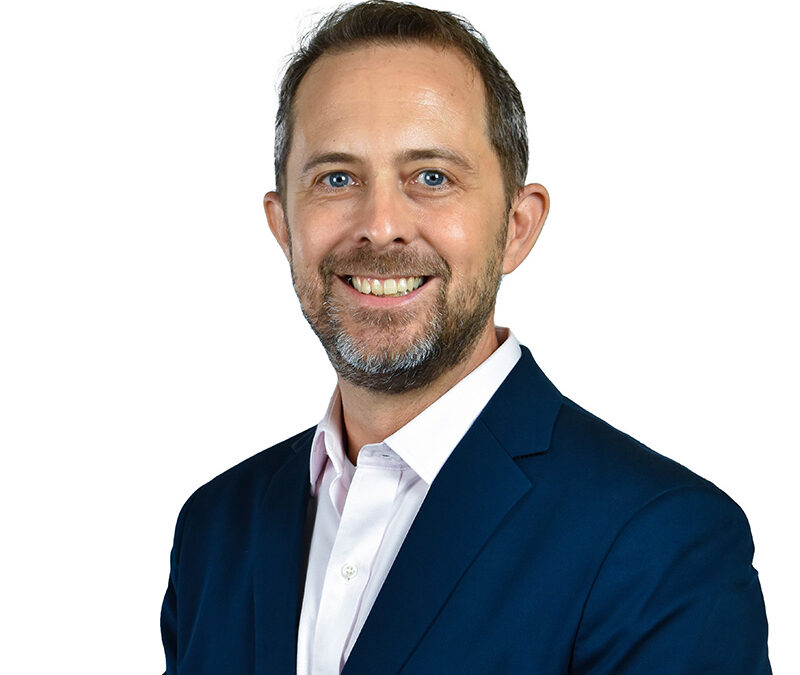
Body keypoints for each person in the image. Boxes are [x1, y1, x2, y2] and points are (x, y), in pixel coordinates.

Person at [160, 2, 771, 673]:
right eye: (337, 178)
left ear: (517, 227)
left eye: (432, 177)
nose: (381, 225)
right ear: (284, 227)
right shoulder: (213, 530)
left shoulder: (663, 544)